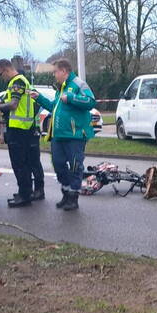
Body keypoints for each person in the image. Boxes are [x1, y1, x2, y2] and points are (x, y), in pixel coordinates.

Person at [28, 59, 96, 211]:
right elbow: (54, 107)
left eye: (55, 72)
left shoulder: (78, 84)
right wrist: (38, 97)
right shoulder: (61, 88)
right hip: (58, 135)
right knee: (58, 164)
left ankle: (73, 197)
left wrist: (72, 98)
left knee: (74, 166)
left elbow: (91, 101)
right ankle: (66, 193)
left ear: (64, 71)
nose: (54, 75)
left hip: (75, 135)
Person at [0, 59, 44, 207]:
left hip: (19, 128)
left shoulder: (17, 82)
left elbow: (13, 104)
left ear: (6, 69)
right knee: (23, 163)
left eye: (0, 74)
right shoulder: (21, 81)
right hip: (23, 127)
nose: (1, 77)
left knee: (19, 163)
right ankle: (25, 191)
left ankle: (24, 195)